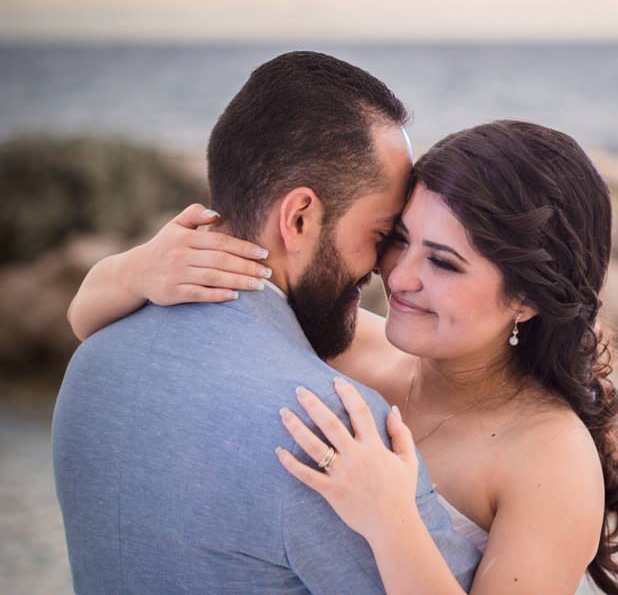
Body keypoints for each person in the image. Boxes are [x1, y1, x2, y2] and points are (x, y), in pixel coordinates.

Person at [69, 118, 618, 593]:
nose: (398, 276)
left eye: (443, 262)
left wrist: (391, 519)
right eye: (399, 238)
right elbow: (87, 322)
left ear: (525, 299)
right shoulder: (346, 345)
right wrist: (137, 268)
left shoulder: (549, 457)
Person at [53, 51, 482, 595]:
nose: (383, 268)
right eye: (380, 234)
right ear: (299, 218)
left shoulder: (93, 360)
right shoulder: (331, 429)